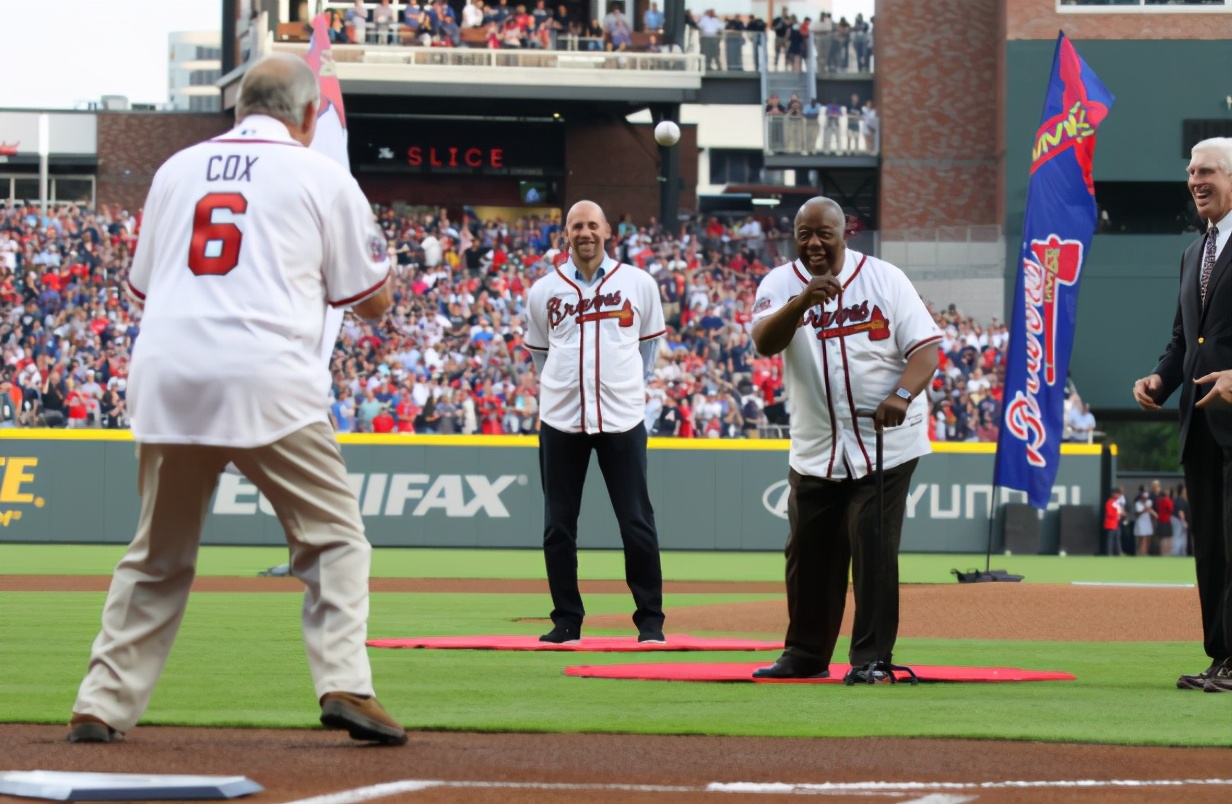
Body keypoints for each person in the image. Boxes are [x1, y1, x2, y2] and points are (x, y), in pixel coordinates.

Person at [66, 53, 408, 744]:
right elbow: (373, 302)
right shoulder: (320, 173)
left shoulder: (174, 170)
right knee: (335, 540)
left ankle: (101, 704)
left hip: (166, 370)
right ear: (310, 115)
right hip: (266, 372)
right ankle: (344, 682)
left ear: (238, 107)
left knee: (157, 553)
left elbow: (143, 288)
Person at [749, 196, 941, 683]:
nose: (813, 244)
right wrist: (802, 302)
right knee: (808, 554)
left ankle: (872, 659)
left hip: (886, 445)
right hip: (816, 448)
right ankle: (805, 655)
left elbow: (925, 352)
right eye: (804, 234)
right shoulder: (778, 284)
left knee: (873, 545)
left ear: (845, 233)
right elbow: (765, 342)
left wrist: (901, 394)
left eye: (823, 234)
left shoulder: (885, 279)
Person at [524, 200, 667, 645]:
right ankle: (566, 620)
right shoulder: (544, 290)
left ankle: (650, 622)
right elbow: (540, 354)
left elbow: (647, 351)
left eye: (592, 225)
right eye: (575, 226)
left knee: (636, 522)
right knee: (558, 525)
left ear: (607, 229)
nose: (585, 233)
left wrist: (625, 387)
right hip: (561, 419)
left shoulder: (638, 283)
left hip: (621, 417)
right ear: (564, 234)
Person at [1132, 137, 1232, 693]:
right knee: (1213, 551)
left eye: (1208, 171)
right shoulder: (1195, 252)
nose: (1196, 180)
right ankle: (1222, 658)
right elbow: (1183, 340)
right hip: (1200, 426)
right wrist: (1160, 379)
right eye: (1191, 172)